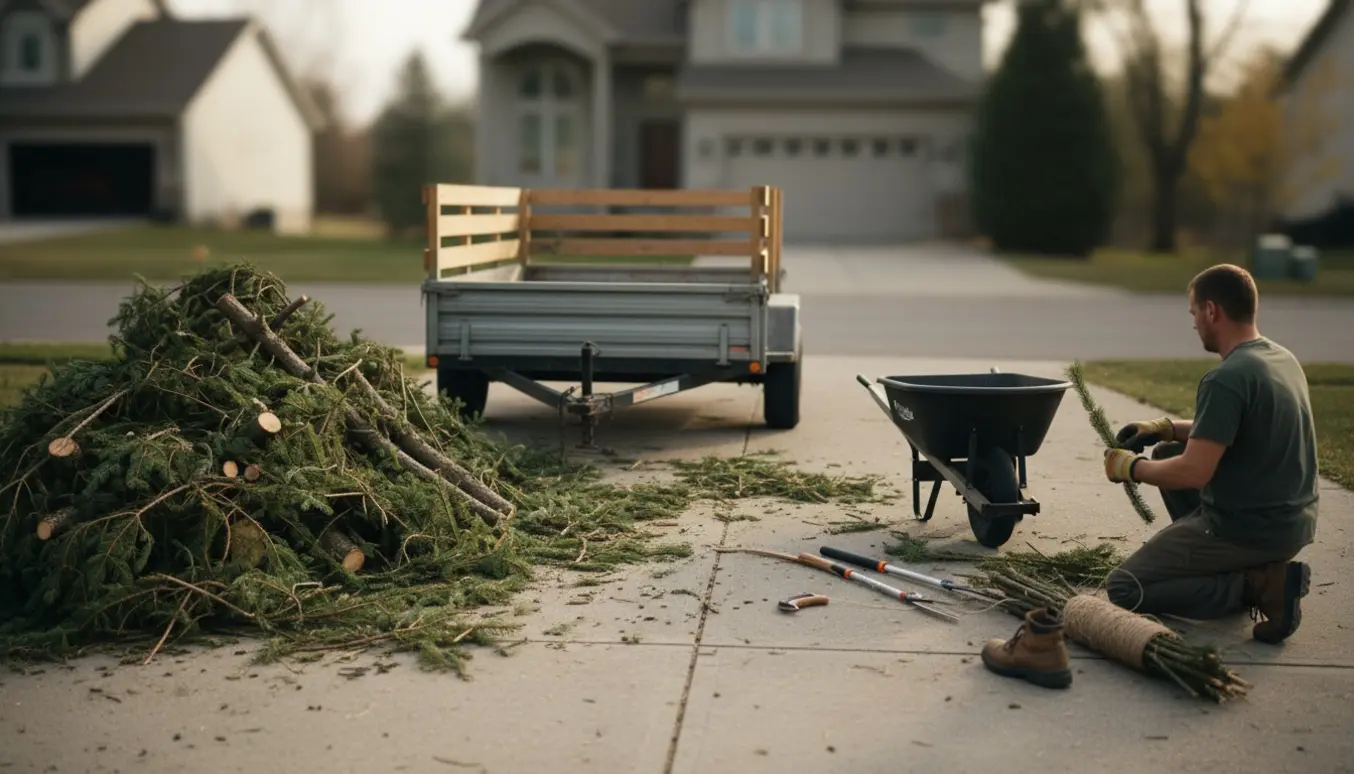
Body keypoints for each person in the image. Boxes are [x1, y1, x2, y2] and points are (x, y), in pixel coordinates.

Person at [1101, 263, 1319, 644]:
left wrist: (1131, 467)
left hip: (1248, 529)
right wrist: (1165, 428)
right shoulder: (1280, 358)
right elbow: (1232, 429)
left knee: (1123, 587)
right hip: (1292, 522)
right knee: (1172, 446)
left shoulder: (1226, 378)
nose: (1194, 323)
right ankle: (1250, 570)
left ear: (1212, 310)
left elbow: (1193, 473)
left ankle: (1257, 586)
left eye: (1194, 312)